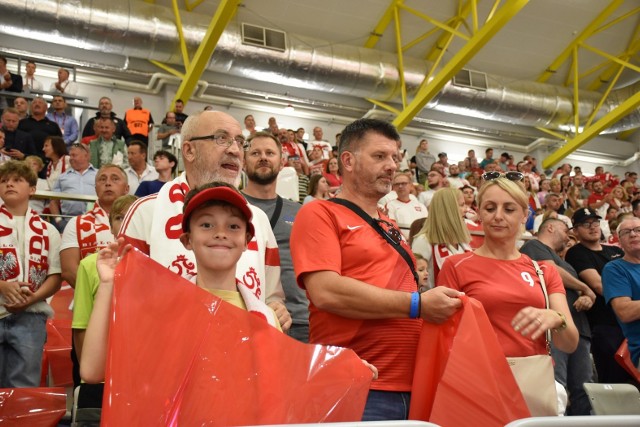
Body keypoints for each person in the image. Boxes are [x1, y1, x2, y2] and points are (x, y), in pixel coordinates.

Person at [291, 118, 463, 421]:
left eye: (395, 157)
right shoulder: (319, 213)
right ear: (348, 161)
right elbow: (326, 292)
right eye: (379, 156)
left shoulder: (389, 223)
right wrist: (418, 305)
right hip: (359, 385)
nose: (391, 165)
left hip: (413, 384)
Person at [81, 183, 281, 384]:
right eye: (206, 224)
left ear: (247, 240)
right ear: (187, 240)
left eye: (233, 226)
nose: (221, 233)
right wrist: (107, 284)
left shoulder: (266, 319)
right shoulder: (160, 310)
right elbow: (92, 371)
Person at [118, 110, 288, 328]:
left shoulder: (258, 219)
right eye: (221, 138)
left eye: (239, 142)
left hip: (243, 353)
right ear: (189, 150)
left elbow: (272, 295)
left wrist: (277, 309)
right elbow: (125, 300)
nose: (235, 150)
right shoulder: (145, 212)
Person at [437, 177, 578, 414]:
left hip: (531, 381)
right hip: (476, 381)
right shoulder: (455, 265)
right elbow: (445, 339)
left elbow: (569, 342)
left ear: (525, 215)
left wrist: (557, 319)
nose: (498, 216)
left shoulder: (543, 271)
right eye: (490, 208)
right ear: (479, 213)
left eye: (509, 209)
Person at [520, 218, 595, 415]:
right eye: (566, 230)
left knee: (584, 389)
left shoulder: (563, 259)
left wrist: (586, 297)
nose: (569, 236)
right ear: (550, 227)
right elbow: (549, 270)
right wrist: (585, 287)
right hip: (553, 328)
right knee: (556, 385)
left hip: (577, 328)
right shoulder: (533, 246)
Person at [0, 160, 62, 388]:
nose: (9, 184)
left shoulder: (48, 230)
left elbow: (55, 276)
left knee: (24, 386)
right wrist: (3, 286)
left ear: (33, 189)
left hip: (31, 315)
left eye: (17, 180)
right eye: (4, 181)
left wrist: (33, 298)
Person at [71, 194, 136, 411]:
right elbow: (81, 326)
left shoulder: (154, 263)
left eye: (131, 216)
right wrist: (91, 378)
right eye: (119, 217)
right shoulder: (90, 265)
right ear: (110, 226)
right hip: (99, 379)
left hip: (137, 376)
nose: (125, 221)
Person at [241, 131, 306, 341]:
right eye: (255, 153)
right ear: (243, 162)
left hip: (299, 319)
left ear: (281, 163)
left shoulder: (300, 212)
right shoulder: (228, 205)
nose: (263, 157)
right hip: (245, 315)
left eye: (270, 153)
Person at [564, 208, 633, 384]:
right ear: (576, 230)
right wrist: (630, 299)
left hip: (630, 325)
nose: (593, 227)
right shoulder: (577, 252)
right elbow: (598, 285)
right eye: (586, 224)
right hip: (605, 325)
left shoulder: (613, 250)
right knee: (615, 380)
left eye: (595, 223)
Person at [60, 164, 130, 288]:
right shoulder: (76, 223)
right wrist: (102, 294)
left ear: (126, 188)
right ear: (95, 188)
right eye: (102, 179)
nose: (108, 183)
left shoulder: (141, 221)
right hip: (92, 300)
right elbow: (69, 271)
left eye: (115, 179)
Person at [412, 187, 472, 289]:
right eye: (462, 205)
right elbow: (413, 280)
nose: (466, 209)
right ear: (449, 209)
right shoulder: (423, 241)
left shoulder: (462, 241)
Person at [603, 217, 640, 370]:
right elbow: (624, 311)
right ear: (619, 241)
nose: (633, 234)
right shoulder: (614, 269)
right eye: (626, 232)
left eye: (638, 230)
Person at [49, 143, 98, 233]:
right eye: (70, 155)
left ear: (86, 156)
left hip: (95, 221)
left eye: (74, 155)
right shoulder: (62, 177)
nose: (71, 158)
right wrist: (59, 221)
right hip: (68, 223)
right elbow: (53, 202)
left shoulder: (99, 175)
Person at [386, 172, 427, 239]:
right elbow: (392, 227)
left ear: (411, 186)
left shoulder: (421, 206)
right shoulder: (390, 205)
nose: (400, 186)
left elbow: (427, 225)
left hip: (421, 241)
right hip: (403, 243)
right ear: (394, 187)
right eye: (397, 184)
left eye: (404, 183)